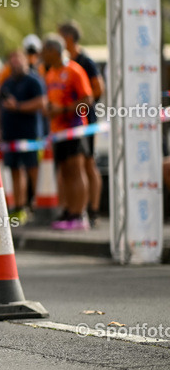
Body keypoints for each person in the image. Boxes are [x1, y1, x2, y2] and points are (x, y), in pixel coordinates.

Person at [40, 34, 94, 230]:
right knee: (65, 172)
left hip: (74, 128)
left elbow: (87, 100)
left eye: (44, 51)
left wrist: (64, 110)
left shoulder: (74, 70)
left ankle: (80, 214)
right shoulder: (50, 73)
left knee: (76, 170)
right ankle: (70, 211)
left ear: (53, 51)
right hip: (58, 131)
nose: (42, 55)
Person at [58, 21, 104, 225]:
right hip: (68, 124)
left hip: (85, 121)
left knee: (88, 163)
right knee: (71, 167)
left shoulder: (85, 61)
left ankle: (93, 209)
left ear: (69, 38)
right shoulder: (65, 63)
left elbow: (98, 89)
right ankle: (74, 208)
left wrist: (78, 106)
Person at [0, 48, 46, 222]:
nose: (15, 63)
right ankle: (19, 207)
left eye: (18, 59)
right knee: (15, 170)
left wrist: (18, 107)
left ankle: (40, 205)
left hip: (30, 134)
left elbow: (41, 102)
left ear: (25, 60)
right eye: (12, 60)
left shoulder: (34, 80)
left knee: (33, 169)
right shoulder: (7, 83)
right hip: (10, 135)